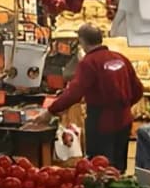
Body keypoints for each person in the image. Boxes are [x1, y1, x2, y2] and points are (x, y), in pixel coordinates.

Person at [42, 24, 143, 169]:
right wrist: (124, 104)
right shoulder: (121, 59)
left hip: (101, 120)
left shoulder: (89, 62)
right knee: (119, 165)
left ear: (82, 42)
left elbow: (74, 93)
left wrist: (51, 110)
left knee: (100, 166)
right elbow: (138, 90)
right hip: (124, 120)